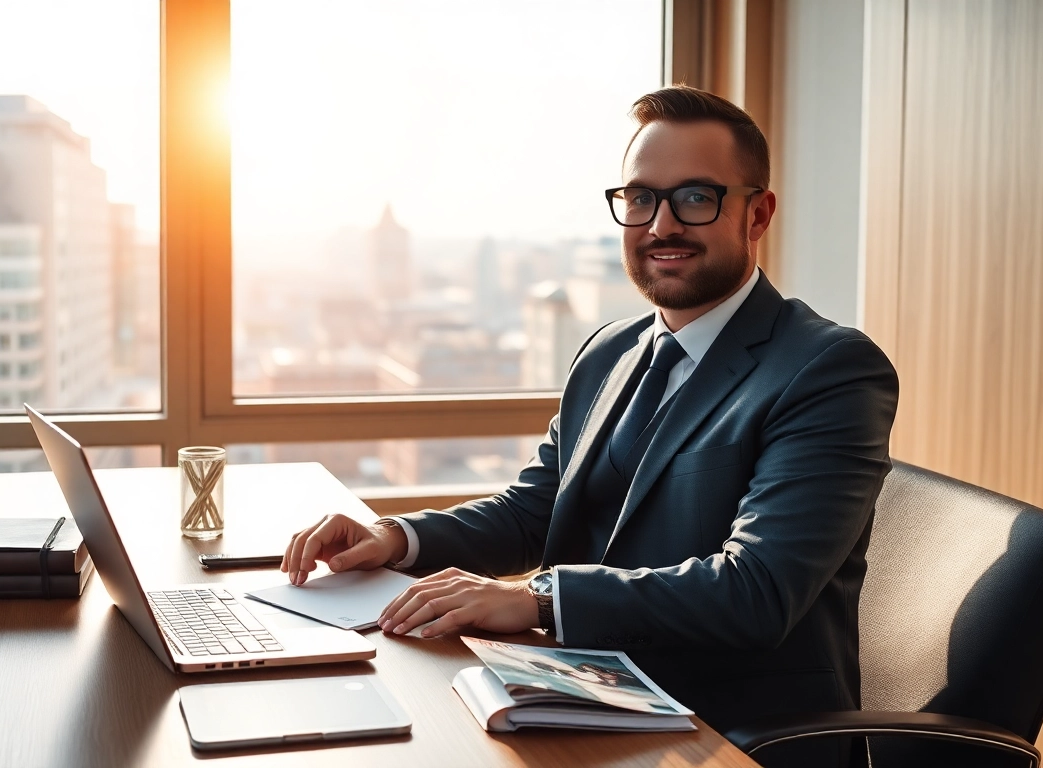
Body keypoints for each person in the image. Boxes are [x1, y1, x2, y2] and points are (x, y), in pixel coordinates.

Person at [281, 86, 898, 759]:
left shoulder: (827, 369)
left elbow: (756, 590)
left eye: (696, 197)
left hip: (725, 734)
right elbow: (536, 511)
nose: (660, 225)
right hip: (582, 694)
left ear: (757, 215)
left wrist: (539, 600)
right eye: (639, 199)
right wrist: (393, 537)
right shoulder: (610, 350)